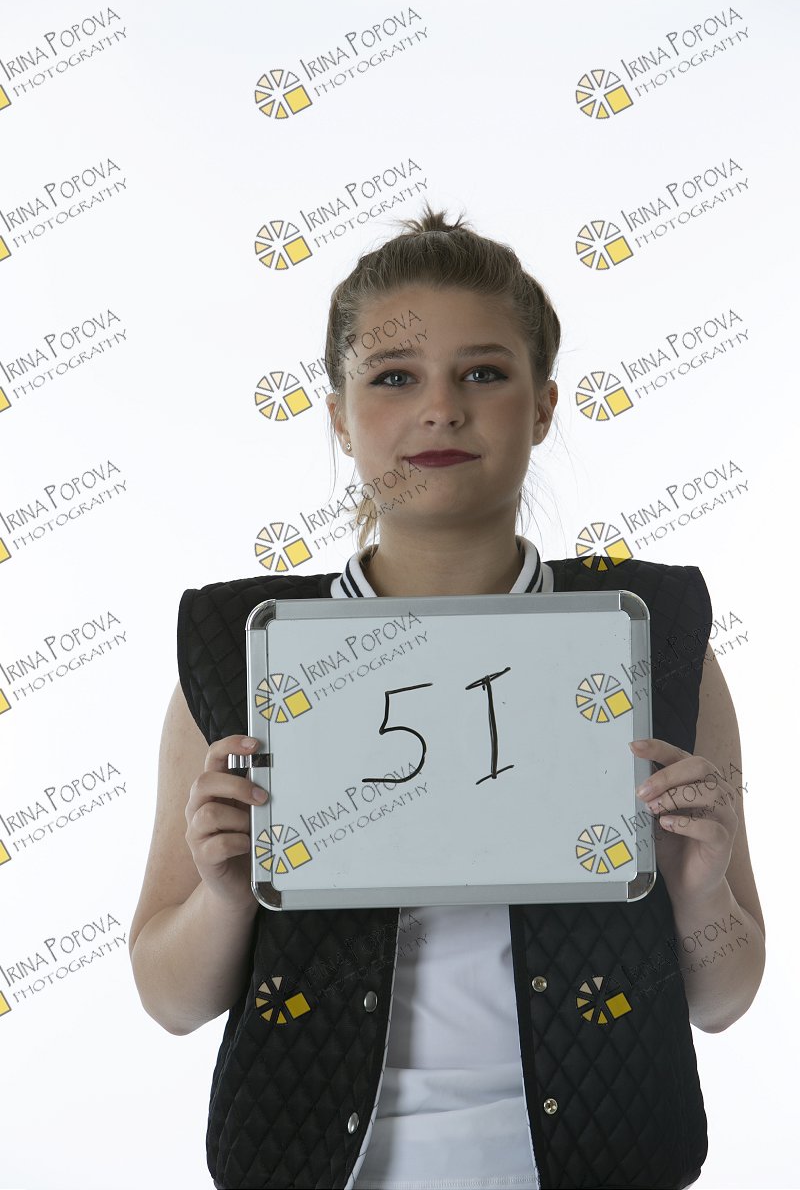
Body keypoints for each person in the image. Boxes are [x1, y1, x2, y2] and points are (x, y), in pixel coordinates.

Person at [128, 204, 766, 1190]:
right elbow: (170, 1001)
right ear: (339, 416)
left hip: (605, 1155)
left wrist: (699, 882)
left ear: (542, 407)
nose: (440, 409)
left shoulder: (653, 637)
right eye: (393, 377)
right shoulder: (243, 647)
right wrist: (224, 893)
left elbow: (725, 997)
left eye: (483, 373)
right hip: (318, 1162)